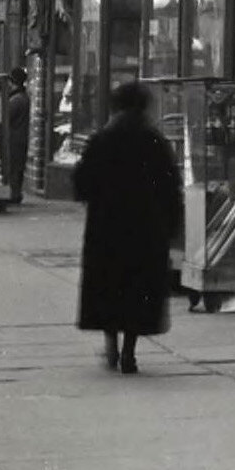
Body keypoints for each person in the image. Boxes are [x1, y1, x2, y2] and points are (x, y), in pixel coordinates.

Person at [72, 79, 181, 374]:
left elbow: (81, 184)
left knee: (109, 287)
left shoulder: (102, 140)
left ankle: (111, 343)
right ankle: (129, 352)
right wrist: (172, 227)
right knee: (136, 290)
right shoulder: (154, 142)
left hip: (107, 229)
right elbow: (171, 187)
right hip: (144, 230)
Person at [0, 71, 31, 206]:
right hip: (20, 138)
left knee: (13, 166)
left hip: (14, 138)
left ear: (13, 82)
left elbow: (5, 118)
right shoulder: (23, 97)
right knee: (18, 167)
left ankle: (13, 194)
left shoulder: (16, 100)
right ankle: (15, 193)